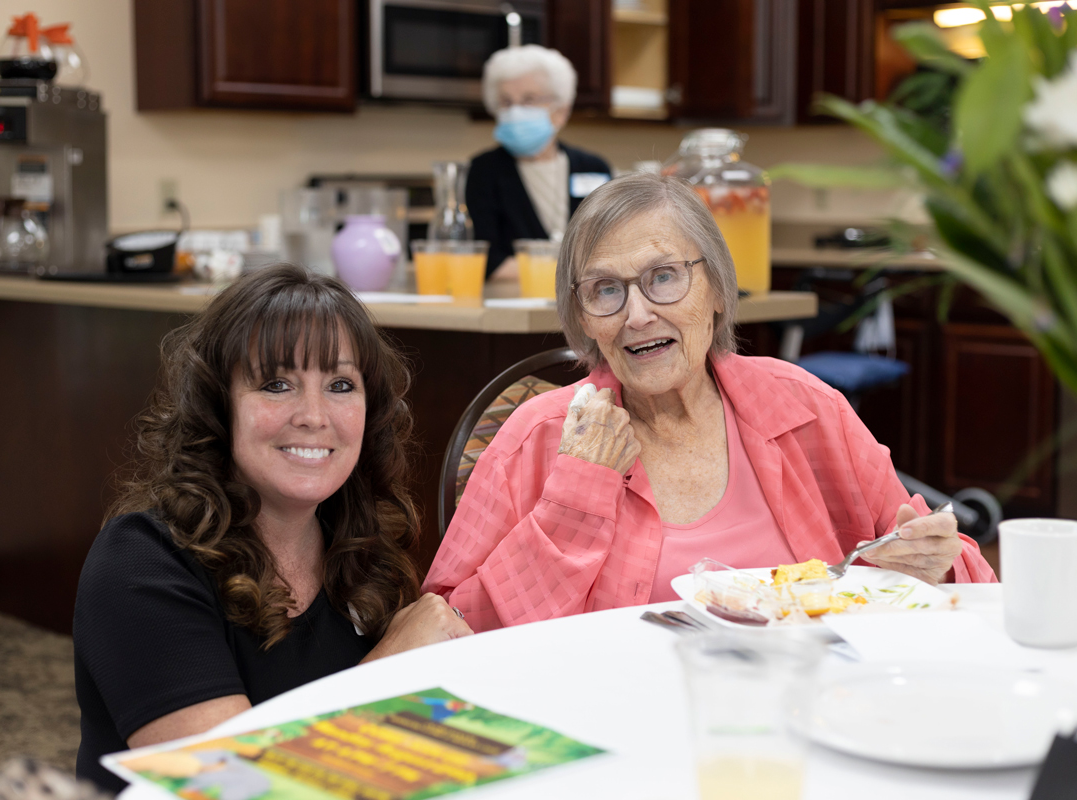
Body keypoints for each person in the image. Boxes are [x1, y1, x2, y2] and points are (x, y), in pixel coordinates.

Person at [424, 173, 996, 632]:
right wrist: (574, 498)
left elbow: (959, 578)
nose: (637, 314)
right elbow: (446, 632)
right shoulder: (540, 436)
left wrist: (933, 563)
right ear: (581, 319)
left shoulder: (802, 408)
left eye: (664, 277)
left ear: (719, 289)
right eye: (605, 290)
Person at [74, 265, 471, 792]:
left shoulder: (361, 550)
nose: (313, 415)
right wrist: (387, 671)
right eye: (277, 384)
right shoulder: (141, 563)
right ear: (219, 407)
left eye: (340, 385)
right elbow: (231, 786)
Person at [467, 45, 613, 282]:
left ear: (560, 111)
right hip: (516, 305)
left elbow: (613, 246)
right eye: (506, 102)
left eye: (529, 100)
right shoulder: (484, 171)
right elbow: (486, 260)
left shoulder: (593, 168)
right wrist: (573, 273)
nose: (515, 112)